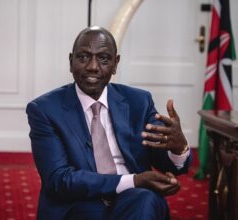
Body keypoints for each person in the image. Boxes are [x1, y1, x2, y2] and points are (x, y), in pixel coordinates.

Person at [26, 26, 191, 220]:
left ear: (115, 64)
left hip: (134, 198)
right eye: (83, 57)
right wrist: (133, 180)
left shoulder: (139, 101)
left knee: (146, 201)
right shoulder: (45, 109)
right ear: (71, 62)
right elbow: (59, 180)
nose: (93, 66)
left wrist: (179, 149)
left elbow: (164, 162)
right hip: (78, 204)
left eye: (103, 58)